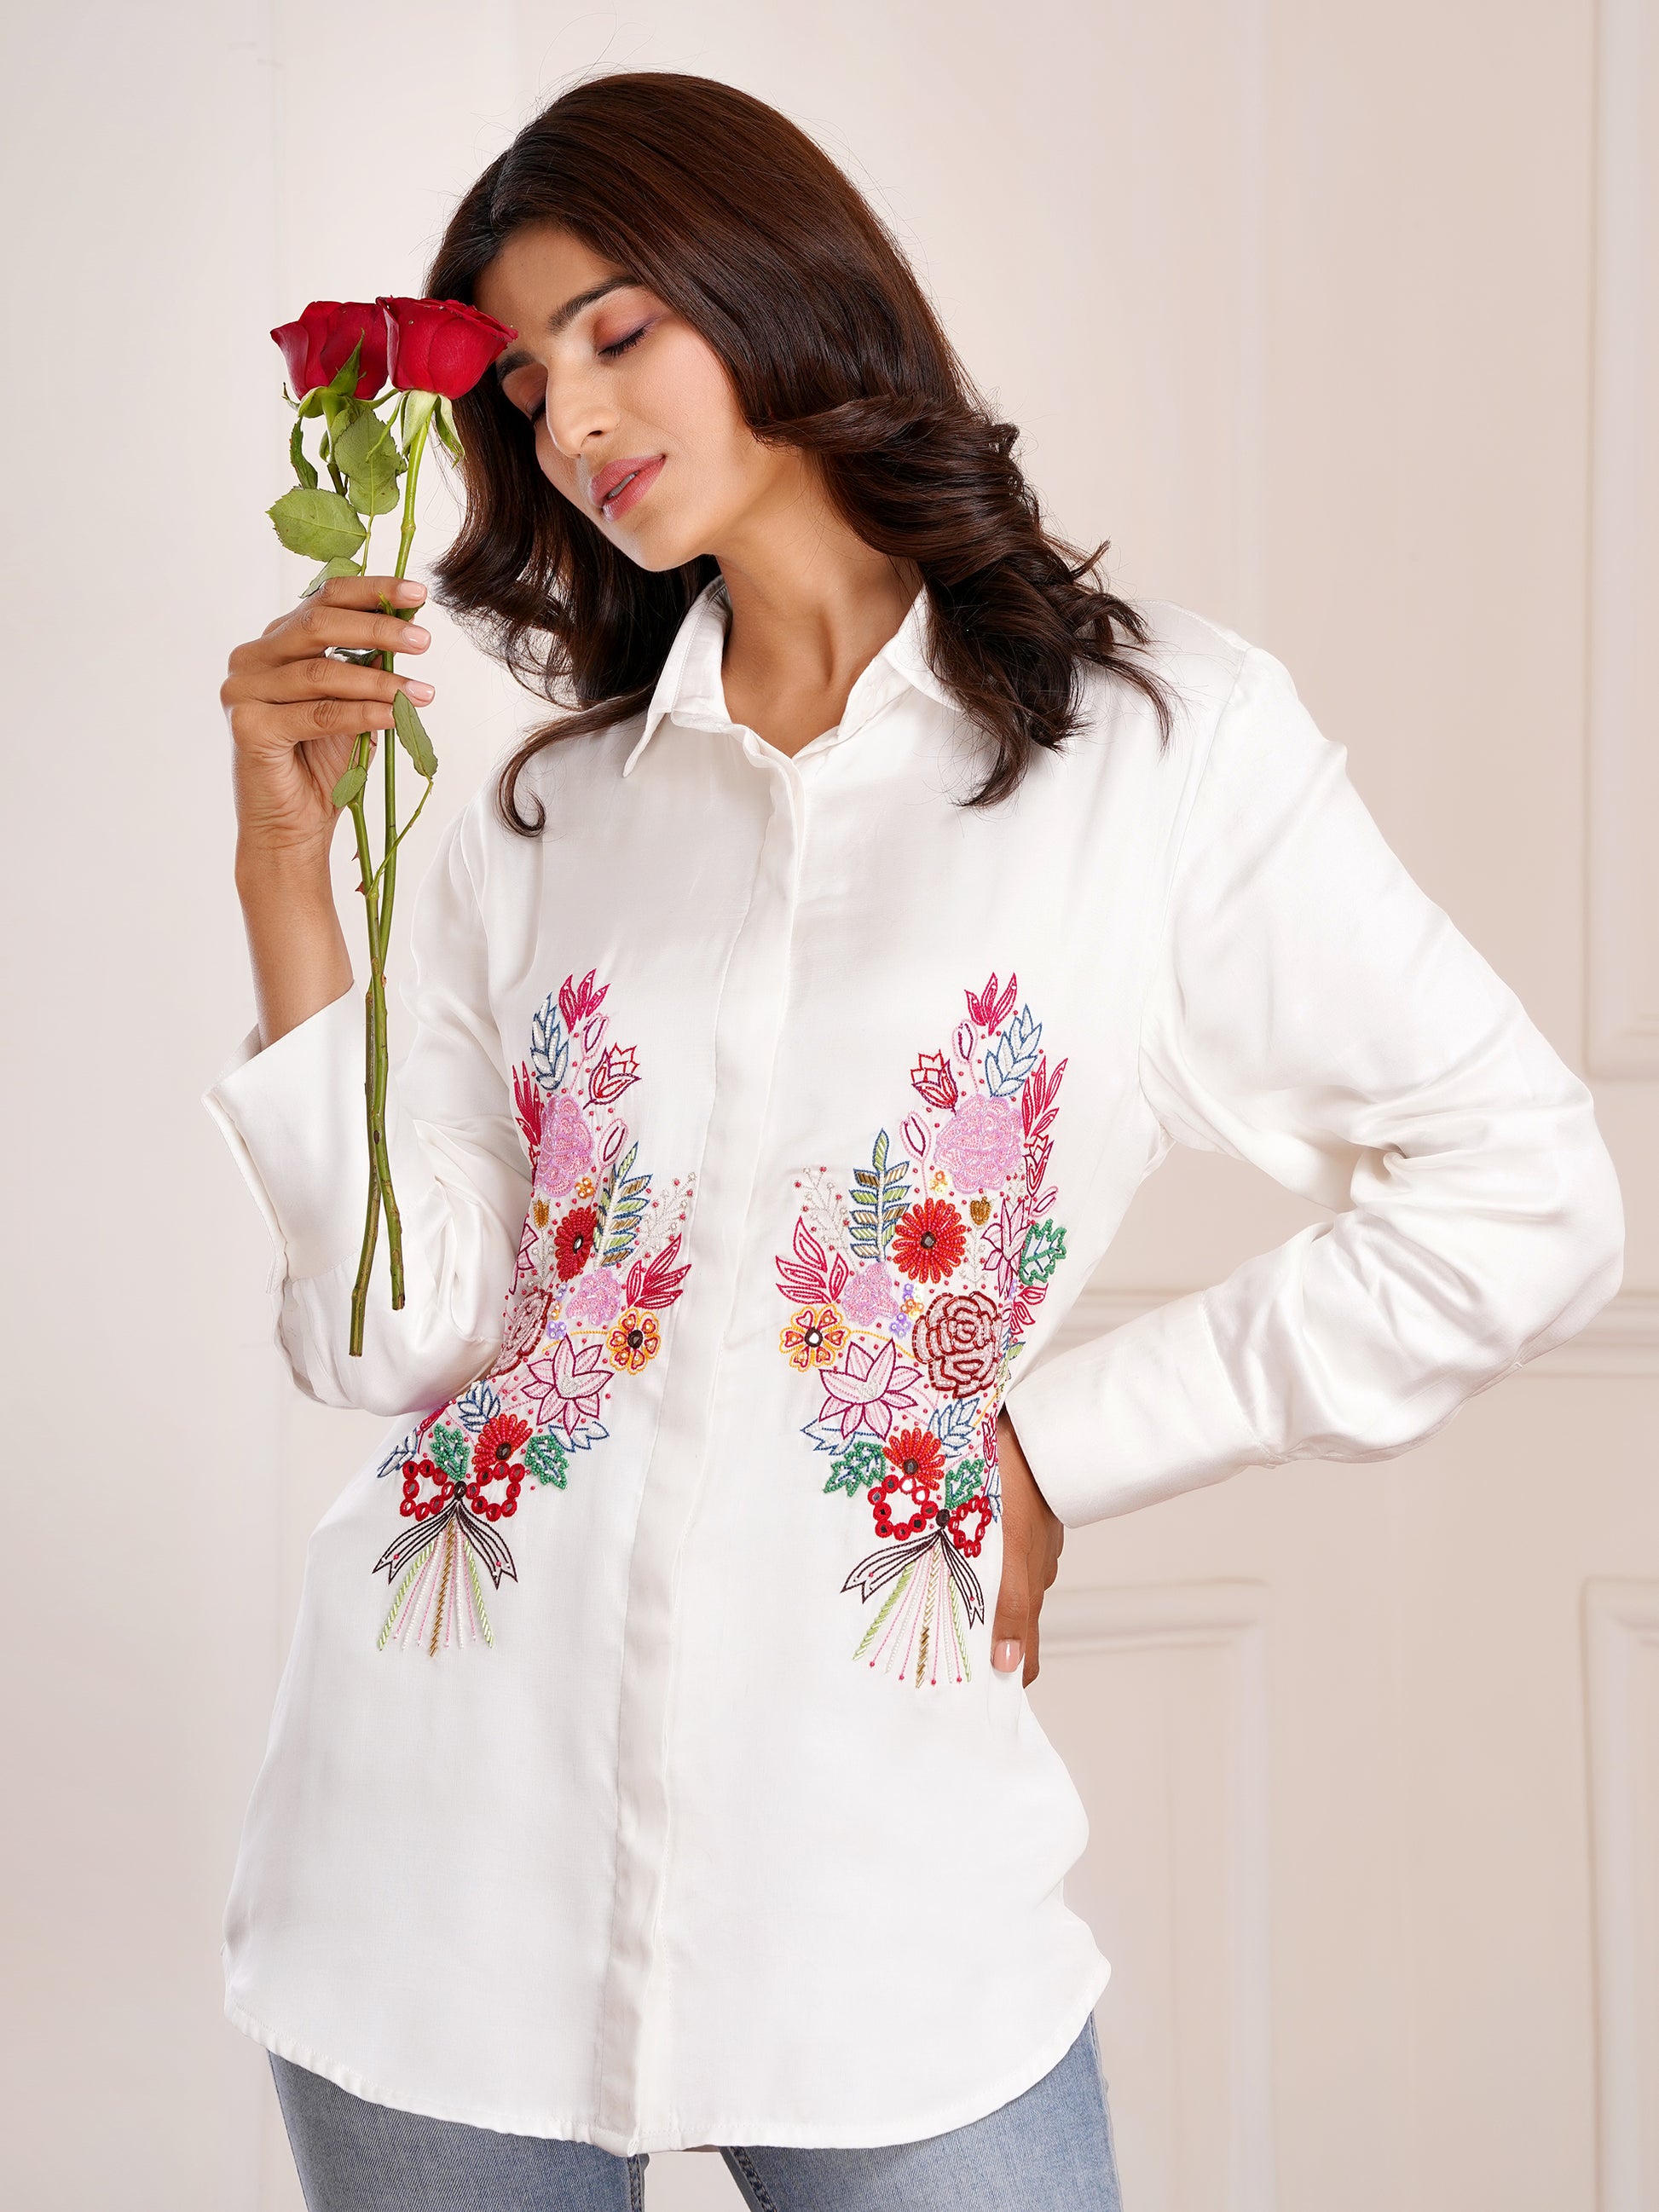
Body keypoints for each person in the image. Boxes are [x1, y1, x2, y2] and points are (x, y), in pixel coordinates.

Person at [207, 71, 1624, 2212]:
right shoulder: (547, 815)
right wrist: (286, 880)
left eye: (617, 331)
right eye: (520, 383)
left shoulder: (1154, 755)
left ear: (780, 285)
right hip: (431, 1851)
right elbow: (394, 1334)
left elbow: (1522, 1192)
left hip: (874, 1880)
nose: (571, 421)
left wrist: (1054, 1444)